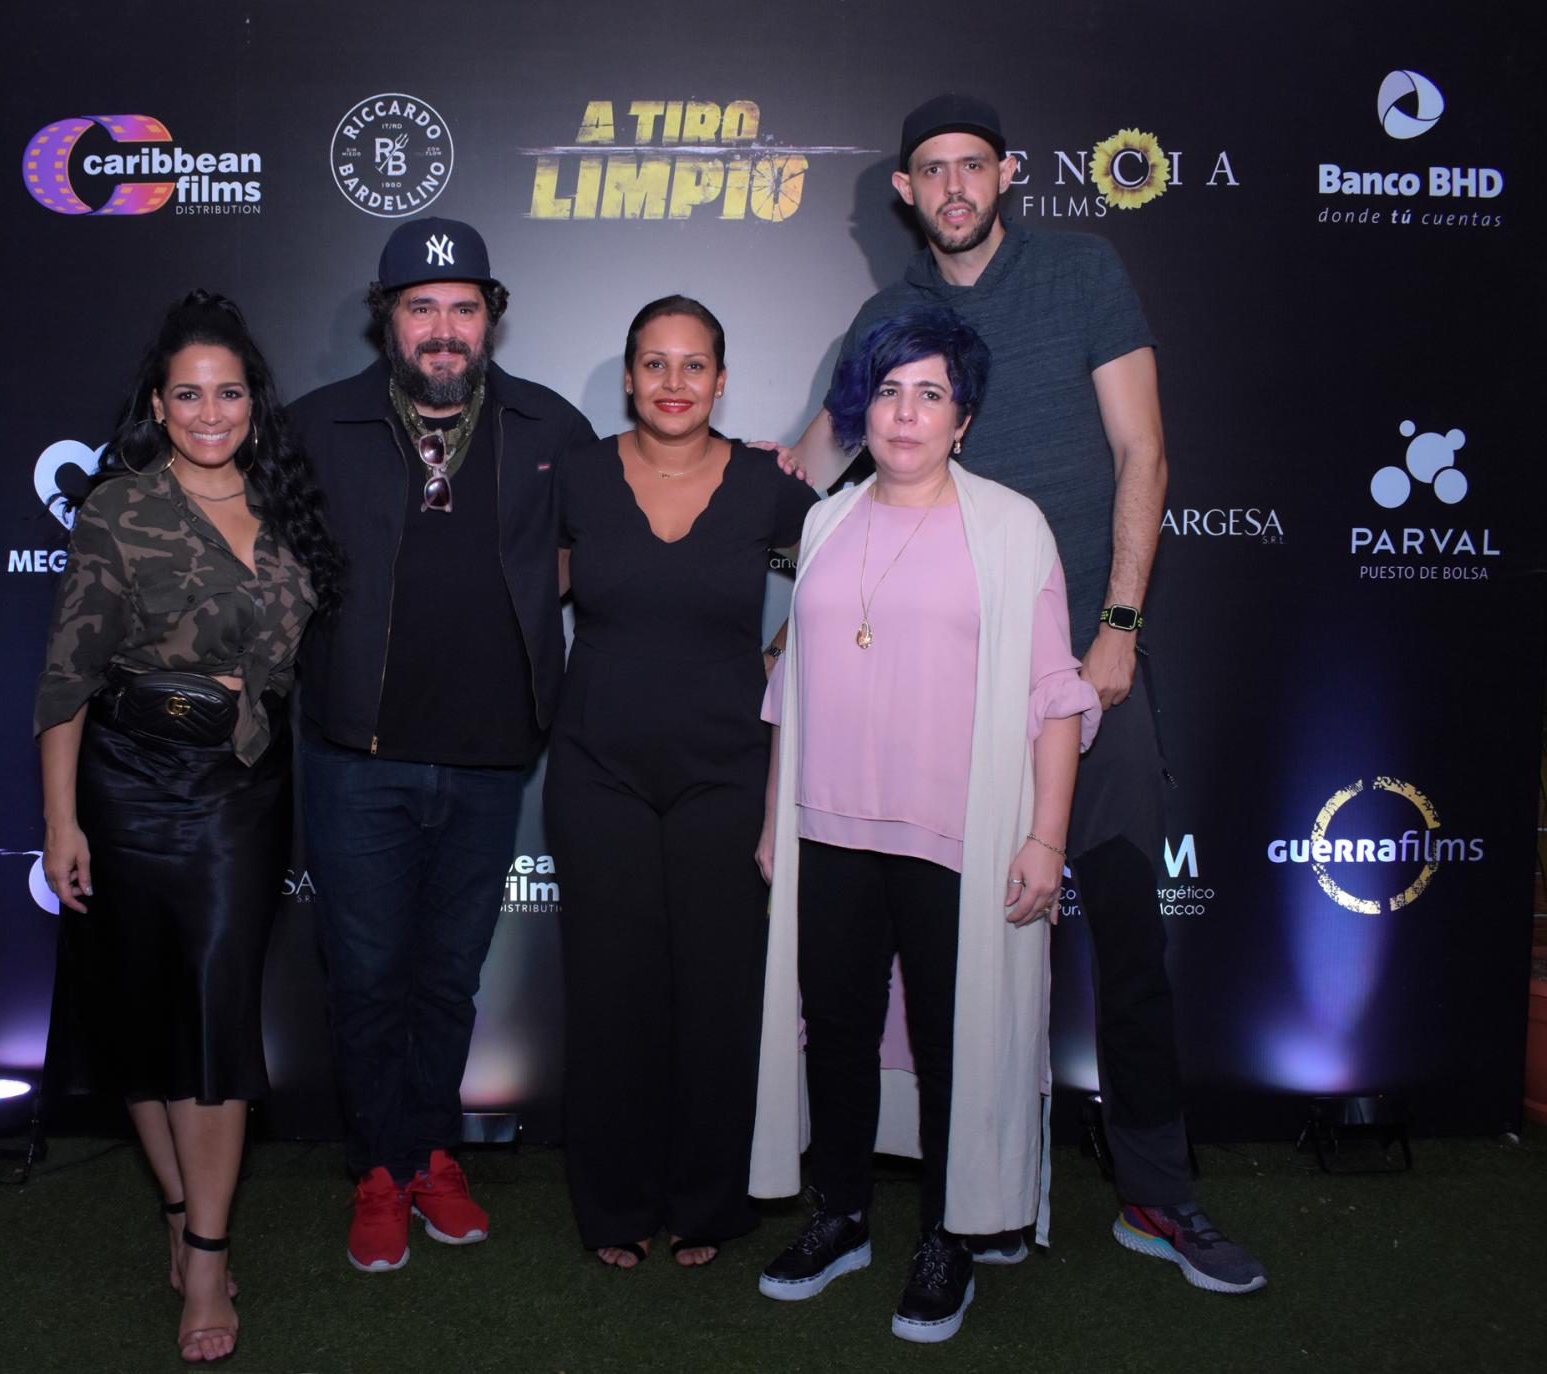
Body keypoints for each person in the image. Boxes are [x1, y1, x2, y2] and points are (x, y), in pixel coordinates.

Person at [784, 93, 1268, 1296]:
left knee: (1120, 925)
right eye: (927, 172)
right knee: (929, 963)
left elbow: (1141, 452)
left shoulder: (1081, 270)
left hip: (1069, 663)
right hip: (925, 687)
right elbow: (804, 469)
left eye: (970, 167)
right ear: (902, 190)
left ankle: (1155, 1194)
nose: (951, 187)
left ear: (1003, 175)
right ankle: (931, 1193)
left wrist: (1116, 625)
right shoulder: (888, 318)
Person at [751, 306, 1098, 1343]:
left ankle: (950, 1233)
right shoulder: (824, 521)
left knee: (953, 1044)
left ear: (963, 417)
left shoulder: (1009, 526)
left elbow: (1052, 695)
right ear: (865, 407)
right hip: (829, 828)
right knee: (841, 1031)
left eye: (928, 394)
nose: (904, 414)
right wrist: (777, 819)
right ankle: (842, 1215)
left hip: (959, 834)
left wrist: (1043, 836)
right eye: (888, 391)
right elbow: (789, 688)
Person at [35, 290, 343, 1363]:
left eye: (228, 392)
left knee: (212, 1022)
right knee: (142, 1021)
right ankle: (179, 1215)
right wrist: (60, 821)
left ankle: (207, 1262)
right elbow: (65, 680)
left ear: (254, 400)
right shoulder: (117, 509)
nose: (209, 412)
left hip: (239, 793)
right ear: (158, 406)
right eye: (187, 395)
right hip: (125, 782)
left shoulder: (292, 504)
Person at [286, 217, 597, 1273]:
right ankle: (378, 1168)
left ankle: (426, 1152)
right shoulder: (313, 427)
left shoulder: (548, 425)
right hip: (353, 756)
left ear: (490, 319)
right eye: (421, 308)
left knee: (448, 978)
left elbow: (592, 555)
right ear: (387, 320)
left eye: (463, 307)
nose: (443, 329)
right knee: (367, 975)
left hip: (488, 755)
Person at [547, 296, 816, 1270]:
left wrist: (781, 657)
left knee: (714, 997)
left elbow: (847, 575)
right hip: (596, 770)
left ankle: (707, 1205)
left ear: (720, 378)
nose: (671, 383)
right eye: (652, 365)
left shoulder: (764, 484)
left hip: (722, 772)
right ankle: (614, 1207)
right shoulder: (573, 476)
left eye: (691, 365)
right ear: (626, 378)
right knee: (611, 997)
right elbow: (521, 590)